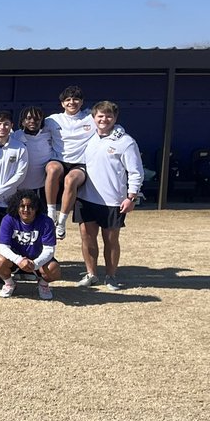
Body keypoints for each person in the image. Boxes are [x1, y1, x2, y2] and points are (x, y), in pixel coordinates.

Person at [73, 100, 143, 291]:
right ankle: (91, 274)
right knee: (87, 238)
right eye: (100, 116)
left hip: (113, 200)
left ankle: (111, 277)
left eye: (109, 116)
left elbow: (136, 172)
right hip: (86, 199)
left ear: (115, 118)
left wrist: (131, 197)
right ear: (94, 118)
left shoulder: (125, 141)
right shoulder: (88, 138)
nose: (104, 119)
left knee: (110, 240)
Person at [44, 85, 96, 240]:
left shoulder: (90, 118)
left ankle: (61, 221)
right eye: (67, 100)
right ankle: (51, 212)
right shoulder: (52, 120)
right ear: (62, 103)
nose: (71, 102)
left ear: (82, 102)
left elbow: (109, 124)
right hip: (58, 160)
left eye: (75, 99)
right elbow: (34, 133)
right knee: (53, 169)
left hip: (80, 164)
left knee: (70, 179)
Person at [0, 189, 60, 300]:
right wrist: (19, 260)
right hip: (15, 261)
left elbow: (49, 249)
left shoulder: (46, 221)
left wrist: (35, 263)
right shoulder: (9, 219)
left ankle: (43, 284)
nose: (26, 209)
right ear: (16, 207)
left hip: (36, 261)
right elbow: (2, 247)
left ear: (36, 207)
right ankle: (9, 283)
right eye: (22, 206)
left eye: (30, 206)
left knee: (54, 269)